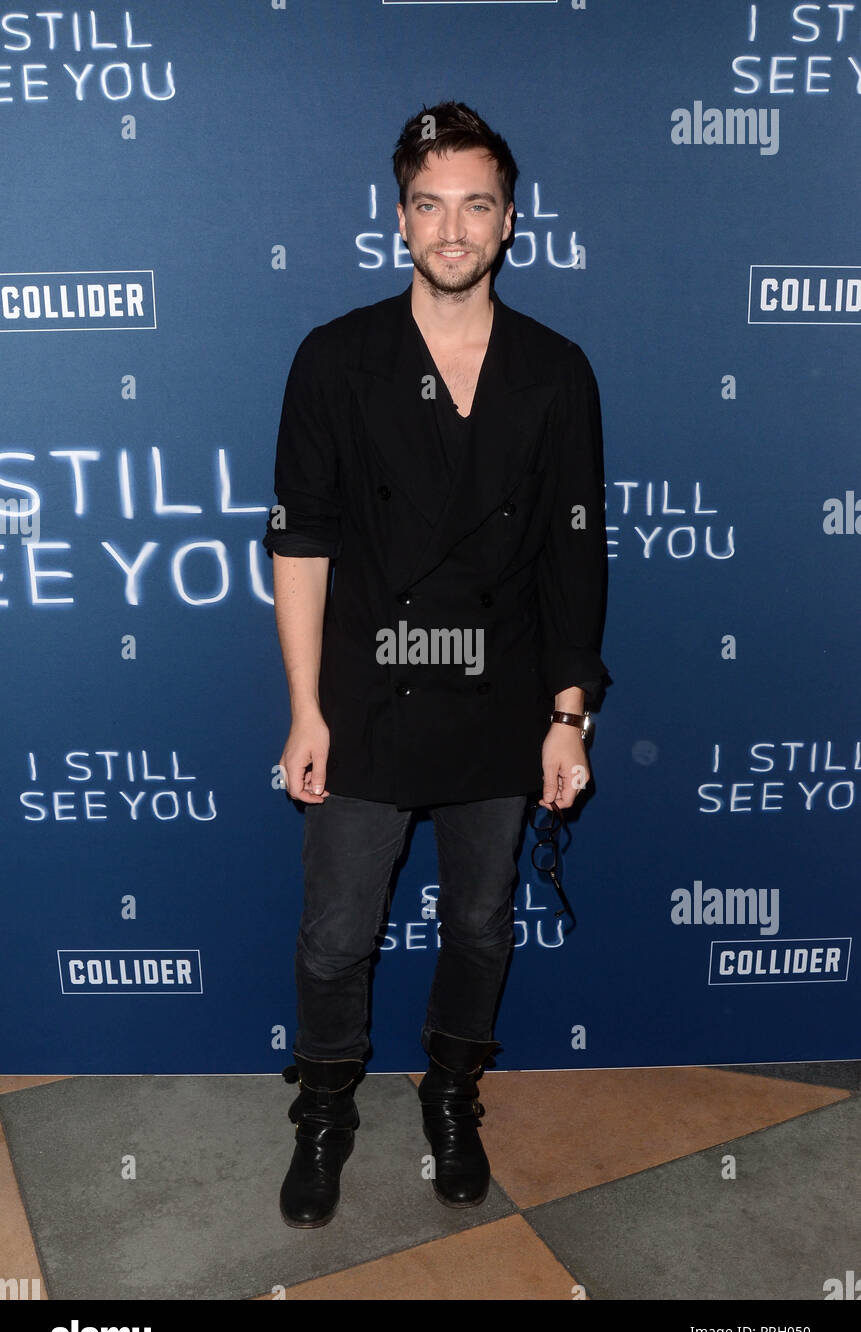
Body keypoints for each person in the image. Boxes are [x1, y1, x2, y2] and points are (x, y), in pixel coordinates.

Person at [262, 100, 611, 1228]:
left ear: (512, 220)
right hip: (368, 693)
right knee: (336, 933)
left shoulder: (557, 372)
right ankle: (325, 1107)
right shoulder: (337, 357)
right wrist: (306, 709)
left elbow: (574, 557)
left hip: (501, 697)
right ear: (399, 217)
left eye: (476, 205)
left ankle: (453, 1095)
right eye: (429, 204)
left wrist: (569, 715)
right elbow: (301, 545)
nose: (451, 229)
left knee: (478, 925)